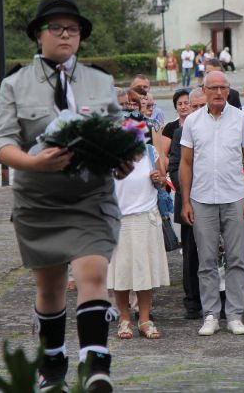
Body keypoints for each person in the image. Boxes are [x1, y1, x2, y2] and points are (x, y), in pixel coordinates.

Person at [0, 0, 134, 392]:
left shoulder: (100, 82)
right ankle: (52, 363)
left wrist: (123, 160)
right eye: (56, 27)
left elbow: (120, 136)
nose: (65, 35)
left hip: (91, 194)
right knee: (50, 287)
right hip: (40, 198)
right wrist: (34, 162)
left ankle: (96, 367)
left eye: (73, 29)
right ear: (39, 34)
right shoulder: (15, 84)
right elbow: (1, 144)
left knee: (93, 270)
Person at [180, 71, 244, 337]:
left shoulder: (240, 119)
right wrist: (185, 201)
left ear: (229, 91)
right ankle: (211, 314)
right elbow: (186, 162)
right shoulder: (192, 121)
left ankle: (235, 314)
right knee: (206, 260)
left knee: (237, 259)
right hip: (201, 198)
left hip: (235, 196)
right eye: (212, 88)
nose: (217, 92)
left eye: (222, 88)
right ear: (203, 91)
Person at [107, 137, 170, 340]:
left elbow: (164, 181)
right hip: (119, 219)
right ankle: (124, 318)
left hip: (146, 217)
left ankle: (144, 319)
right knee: (121, 271)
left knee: (145, 271)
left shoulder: (150, 152)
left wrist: (159, 179)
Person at [168, 89, 206, 320]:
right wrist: (188, 192)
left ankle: (221, 299)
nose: (199, 111)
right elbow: (174, 167)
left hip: (217, 201)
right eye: (195, 107)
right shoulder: (181, 132)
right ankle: (192, 302)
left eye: (203, 106)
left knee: (218, 253)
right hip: (190, 202)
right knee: (191, 254)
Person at [161, 89, 191, 169]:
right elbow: (162, 155)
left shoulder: (198, 124)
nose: (183, 107)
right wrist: (175, 171)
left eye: (186, 103)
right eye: (179, 104)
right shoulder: (170, 127)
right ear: (176, 107)